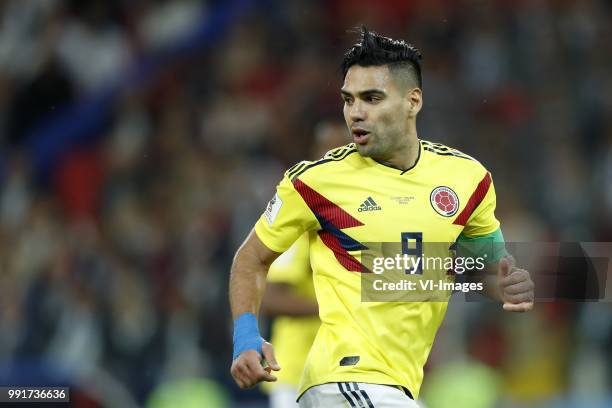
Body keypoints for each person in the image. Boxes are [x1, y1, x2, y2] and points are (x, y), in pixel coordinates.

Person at [229, 26, 534, 407]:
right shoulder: (315, 182)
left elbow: (481, 270)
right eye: (348, 100)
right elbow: (250, 258)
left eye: (372, 98)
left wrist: (503, 286)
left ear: (413, 101)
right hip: (342, 381)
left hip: (398, 385)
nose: (355, 113)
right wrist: (245, 337)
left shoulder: (468, 179)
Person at [260, 122, 347, 408]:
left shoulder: (362, 221)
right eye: (328, 153)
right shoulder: (303, 221)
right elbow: (271, 298)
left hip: (349, 370)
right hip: (299, 376)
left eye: (345, 153)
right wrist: (335, 308)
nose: (337, 161)